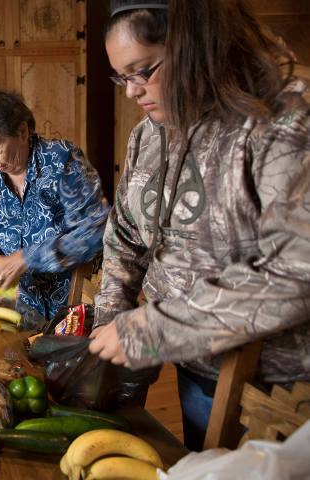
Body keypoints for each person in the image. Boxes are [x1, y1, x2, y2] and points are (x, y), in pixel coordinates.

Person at [89, 0, 310, 451]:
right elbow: (125, 236)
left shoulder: (284, 118)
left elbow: (297, 272)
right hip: (193, 371)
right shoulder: (149, 132)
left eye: (143, 70)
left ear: (196, 44)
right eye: (121, 76)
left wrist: (150, 330)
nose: (131, 91)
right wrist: (112, 315)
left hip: (277, 391)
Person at [0, 87, 110, 329]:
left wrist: (28, 258)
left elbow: (96, 231)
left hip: (78, 307)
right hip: (26, 307)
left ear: (22, 131)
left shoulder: (62, 160)